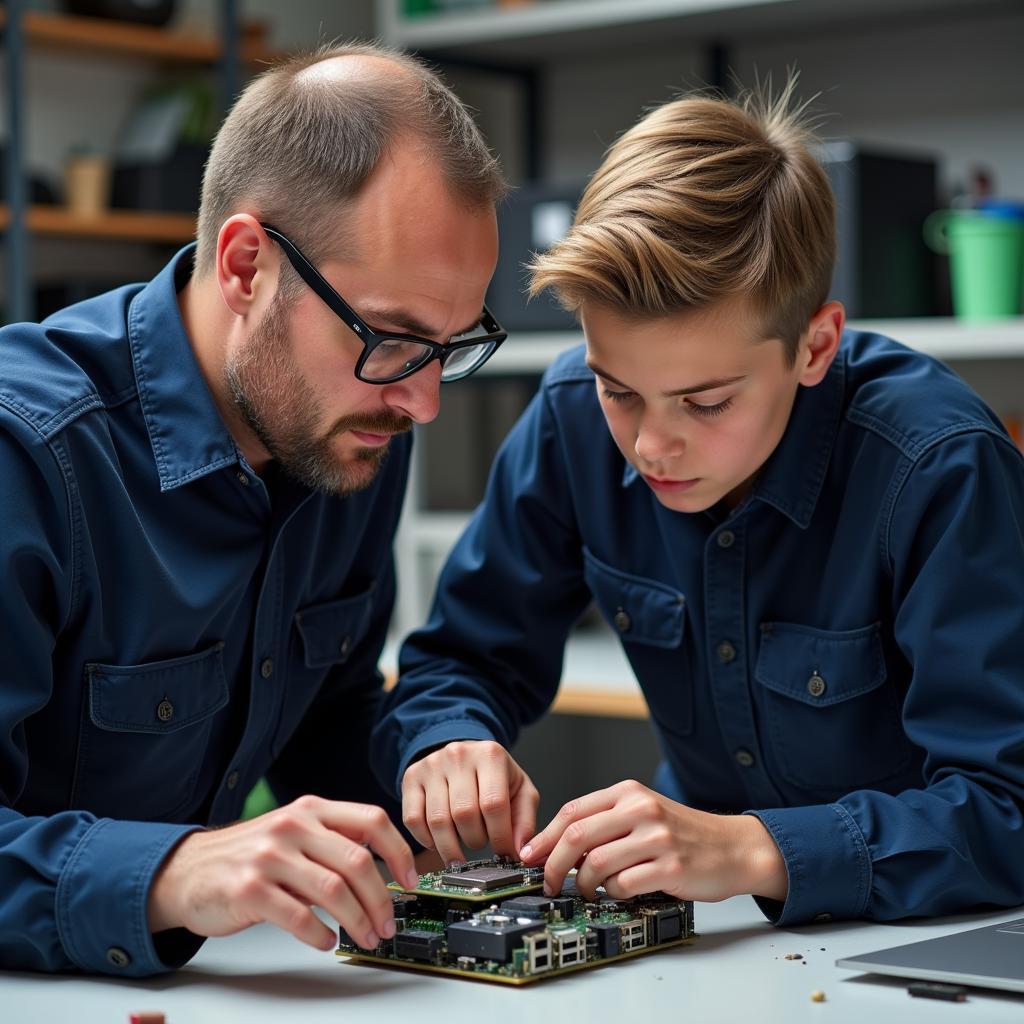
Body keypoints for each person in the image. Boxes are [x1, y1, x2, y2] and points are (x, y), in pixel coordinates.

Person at [373, 80, 1024, 927]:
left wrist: (751, 849)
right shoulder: (571, 414)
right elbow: (459, 658)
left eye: (706, 403)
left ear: (814, 345)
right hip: (709, 925)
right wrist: (448, 741)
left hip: (938, 936)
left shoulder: (941, 468)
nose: (649, 445)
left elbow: (1008, 809)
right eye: (619, 389)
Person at [0, 43, 507, 976]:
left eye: (450, 346)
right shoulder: (27, 455)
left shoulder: (350, 426)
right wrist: (174, 871)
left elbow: (328, 712)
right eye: (394, 338)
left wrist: (436, 788)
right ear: (244, 265)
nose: (423, 402)